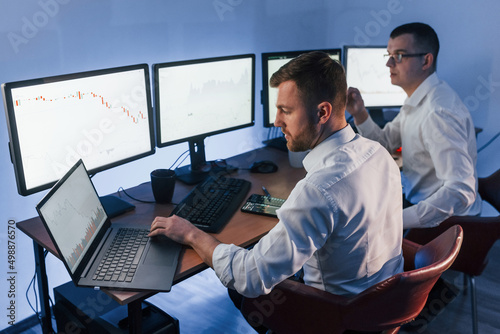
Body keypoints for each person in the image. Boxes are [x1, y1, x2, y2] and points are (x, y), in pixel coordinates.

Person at [149, 51, 404, 331]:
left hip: (337, 319)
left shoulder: (319, 189)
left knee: (238, 283)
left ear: (322, 112)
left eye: (286, 110)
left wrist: (191, 234)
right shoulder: (378, 153)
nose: (276, 121)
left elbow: (249, 277)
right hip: (382, 306)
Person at [346, 22, 481, 230]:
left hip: (449, 225)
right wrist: (360, 113)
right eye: (389, 55)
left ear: (426, 60)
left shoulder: (438, 113)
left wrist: (396, 222)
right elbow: (385, 142)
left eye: (399, 55)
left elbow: (461, 190)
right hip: (422, 202)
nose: (389, 64)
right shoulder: (420, 98)